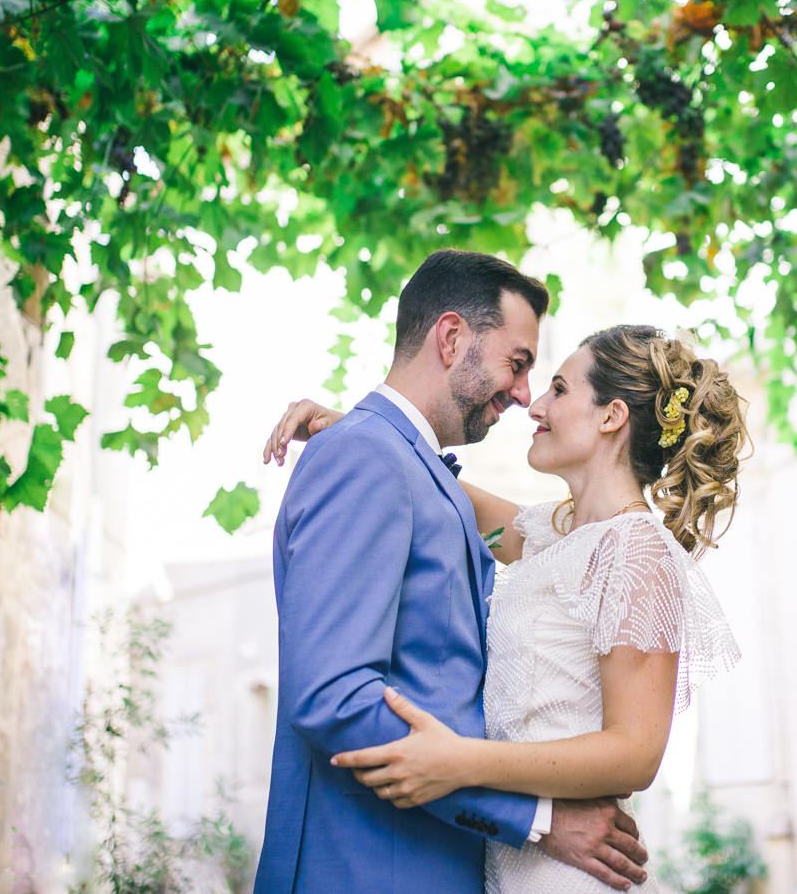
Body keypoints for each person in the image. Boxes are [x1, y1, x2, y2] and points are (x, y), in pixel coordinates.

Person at [264, 319, 747, 892]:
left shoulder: (637, 551)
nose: (535, 404)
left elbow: (636, 753)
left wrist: (460, 761)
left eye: (561, 390)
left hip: (569, 869)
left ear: (611, 416)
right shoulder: (560, 534)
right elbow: (437, 492)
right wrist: (356, 430)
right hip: (504, 858)